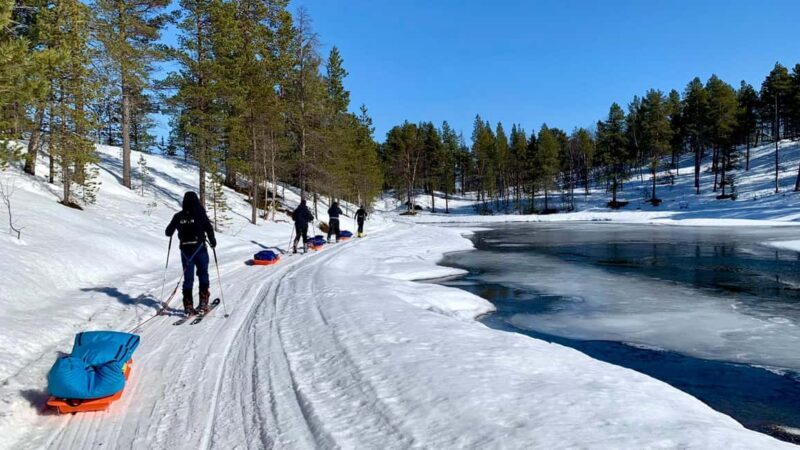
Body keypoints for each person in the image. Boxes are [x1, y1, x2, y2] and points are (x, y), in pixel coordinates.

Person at [165, 191, 217, 316]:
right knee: (203, 273)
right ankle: (203, 301)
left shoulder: (178, 216)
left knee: (188, 279)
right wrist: (213, 241)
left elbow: (168, 232)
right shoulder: (200, 214)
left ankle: (188, 305)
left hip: (185, 252)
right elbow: (209, 228)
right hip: (200, 250)